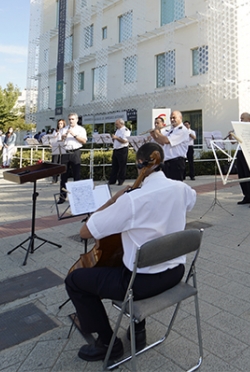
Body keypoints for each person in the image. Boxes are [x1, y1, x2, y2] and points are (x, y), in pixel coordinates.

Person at [65, 142, 197, 363]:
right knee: (132, 260)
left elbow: (86, 231)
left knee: (75, 280)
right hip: (175, 272)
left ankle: (108, 343)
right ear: (162, 162)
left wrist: (113, 200)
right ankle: (138, 330)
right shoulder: (182, 189)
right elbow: (190, 201)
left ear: (139, 164)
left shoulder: (132, 199)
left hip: (141, 284)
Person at [149, 111, 190, 181]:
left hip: (176, 162)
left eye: (174, 118)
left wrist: (157, 132)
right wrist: (154, 136)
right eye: (171, 118)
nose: (172, 120)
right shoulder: (172, 130)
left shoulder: (182, 130)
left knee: (175, 187)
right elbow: (163, 143)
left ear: (180, 118)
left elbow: (167, 141)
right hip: (168, 162)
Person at [59, 113, 87, 203]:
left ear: (77, 119)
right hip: (65, 152)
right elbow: (59, 142)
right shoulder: (64, 129)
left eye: (72, 119)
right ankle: (62, 197)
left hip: (75, 152)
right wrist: (63, 138)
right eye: (69, 119)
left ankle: (77, 197)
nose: (71, 121)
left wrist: (74, 135)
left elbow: (84, 141)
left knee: (76, 175)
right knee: (63, 176)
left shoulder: (81, 129)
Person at [231, 112, 250, 207]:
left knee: (248, 175)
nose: (241, 120)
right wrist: (231, 136)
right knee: (241, 176)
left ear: (249, 119)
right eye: (240, 118)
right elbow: (233, 142)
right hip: (240, 152)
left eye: (242, 118)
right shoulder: (239, 129)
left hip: (248, 152)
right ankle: (246, 196)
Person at [108, 119, 130, 186]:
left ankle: (121, 180)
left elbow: (125, 141)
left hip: (122, 149)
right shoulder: (117, 130)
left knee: (122, 166)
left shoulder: (126, 130)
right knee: (114, 165)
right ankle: (112, 180)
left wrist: (116, 138)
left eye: (117, 124)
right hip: (116, 149)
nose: (116, 125)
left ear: (121, 123)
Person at [50, 119, 67, 184]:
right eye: (59, 123)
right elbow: (52, 139)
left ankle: (62, 178)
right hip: (56, 147)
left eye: (61, 123)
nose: (60, 125)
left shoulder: (65, 130)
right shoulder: (55, 131)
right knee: (54, 163)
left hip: (62, 147)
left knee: (62, 163)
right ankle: (54, 178)